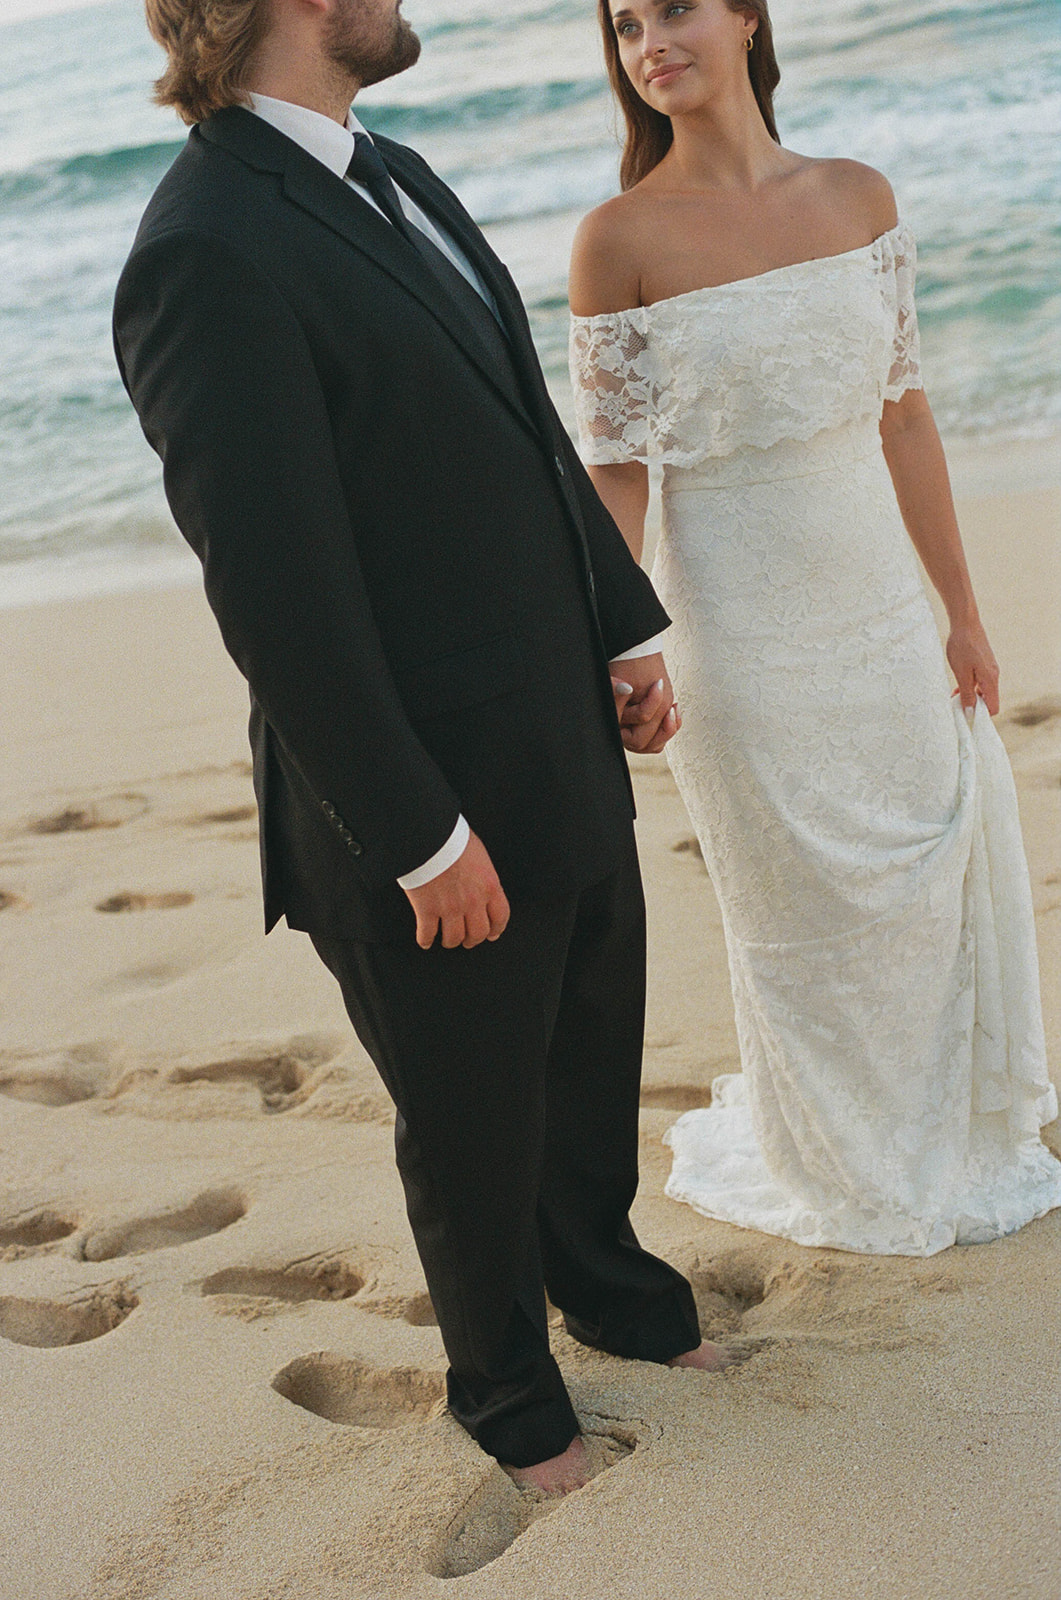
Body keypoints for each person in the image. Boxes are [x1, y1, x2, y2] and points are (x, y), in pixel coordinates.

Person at [112, 0, 733, 1498]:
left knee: (589, 1052)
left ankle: (611, 1290)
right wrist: (412, 835)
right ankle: (510, 1398)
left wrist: (618, 621)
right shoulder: (204, 250)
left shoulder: (389, 168)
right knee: (470, 1120)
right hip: (419, 793)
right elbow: (277, 595)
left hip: (553, 728)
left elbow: (519, 421)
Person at [568, 0, 1061, 1255]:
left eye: (671, 11)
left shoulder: (855, 196)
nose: (648, 44)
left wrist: (960, 610)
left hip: (880, 603)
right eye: (624, 28)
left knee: (919, 882)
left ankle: (942, 1133)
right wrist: (616, 639)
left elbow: (903, 413)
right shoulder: (616, 237)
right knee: (798, 912)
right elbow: (618, 469)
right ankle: (841, 1162)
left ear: (743, 16)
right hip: (728, 627)